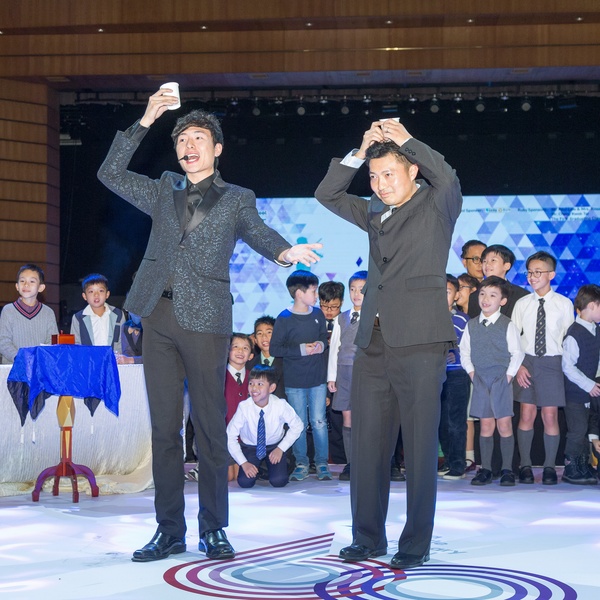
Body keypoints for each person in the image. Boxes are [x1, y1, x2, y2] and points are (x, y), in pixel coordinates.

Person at [97, 88, 321, 563]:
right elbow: (109, 173)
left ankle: (214, 528)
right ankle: (168, 530)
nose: (188, 145)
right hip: (156, 315)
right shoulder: (163, 187)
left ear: (216, 149)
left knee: (210, 428)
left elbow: (258, 232)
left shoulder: (237, 198)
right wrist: (146, 119)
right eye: (182, 139)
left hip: (206, 321)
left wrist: (284, 251)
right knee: (164, 430)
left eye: (198, 138)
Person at [315, 117, 462, 570]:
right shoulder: (374, 211)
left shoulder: (437, 203)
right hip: (372, 342)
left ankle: (415, 542)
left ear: (412, 171)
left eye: (389, 174)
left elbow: (447, 176)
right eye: (374, 176)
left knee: (419, 447)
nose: (379, 184)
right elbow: (327, 194)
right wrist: (360, 151)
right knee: (367, 447)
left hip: (420, 340)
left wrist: (408, 140)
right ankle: (367, 537)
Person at [512, 251, 574, 485]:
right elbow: (513, 339)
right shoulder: (522, 304)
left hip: (552, 363)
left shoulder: (564, 304)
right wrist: (518, 366)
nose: (532, 276)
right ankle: (525, 465)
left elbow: (568, 339)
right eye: (529, 272)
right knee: (526, 414)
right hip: (527, 362)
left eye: (538, 272)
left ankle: (549, 467)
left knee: (550, 415)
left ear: (551, 274)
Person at [459, 276, 524, 486]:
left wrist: (508, 376)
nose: (486, 299)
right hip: (480, 380)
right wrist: (472, 374)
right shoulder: (471, 325)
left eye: (492, 295)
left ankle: (507, 470)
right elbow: (464, 353)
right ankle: (485, 468)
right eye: (483, 294)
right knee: (486, 425)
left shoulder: (507, 324)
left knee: (504, 425)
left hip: (501, 380)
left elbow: (517, 353)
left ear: (502, 301)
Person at [270, 270, 330, 481]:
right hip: (295, 381)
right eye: (313, 291)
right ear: (299, 293)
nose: (316, 295)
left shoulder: (318, 314)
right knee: (299, 423)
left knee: (319, 421)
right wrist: (302, 349)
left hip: (317, 378)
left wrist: (320, 345)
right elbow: (275, 348)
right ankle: (301, 463)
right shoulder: (284, 318)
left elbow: (323, 337)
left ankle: (322, 463)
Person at [226, 365, 304, 488]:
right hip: (251, 447)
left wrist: (281, 448)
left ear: (271, 388)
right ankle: (258, 468)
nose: (254, 388)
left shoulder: (280, 405)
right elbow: (230, 435)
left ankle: (283, 464)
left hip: (274, 447)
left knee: (279, 481)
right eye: (251, 383)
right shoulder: (244, 407)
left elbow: (298, 425)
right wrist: (244, 463)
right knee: (245, 482)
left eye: (260, 384)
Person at [327, 270, 368, 481]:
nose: (356, 294)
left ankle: (367, 462)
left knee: (367, 417)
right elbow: (335, 348)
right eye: (353, 289)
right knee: (347, 417)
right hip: (344, 372)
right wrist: (331, 376)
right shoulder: (341, 319)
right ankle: (351, 463)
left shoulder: (375, 316)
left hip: (366, 373)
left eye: (361, 289)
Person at [562, 284, 600, 485]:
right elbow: (568, 367)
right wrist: (588, 385)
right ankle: (571, 468)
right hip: (576, 393)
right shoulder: (574, 333)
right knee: (577, 431)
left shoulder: (596, 330)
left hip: (589, 393)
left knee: (584, 430)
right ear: (592, 305)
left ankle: (583, 465)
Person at [437, 274, 471, 480]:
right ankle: (448, 460)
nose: (442, 296)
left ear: (457, 295)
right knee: (440, 421)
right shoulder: (427, 318)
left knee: (456, 421)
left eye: (447, 292)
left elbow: (468, 348)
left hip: (457, 374)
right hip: (434, 376)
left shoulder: (463, 320)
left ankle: (458, 464)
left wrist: (454, 354)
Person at [0, 263, 58, 364]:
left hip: (39, 367)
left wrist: (37, 360)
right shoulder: (8, 310)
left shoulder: (48, 312)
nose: (26, 285)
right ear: (17, 286)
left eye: (32, 281)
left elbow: (52, 342)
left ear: (41, 287)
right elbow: (3, 341)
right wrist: (21, 359)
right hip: (13, 367)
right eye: (22, 281)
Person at [318, 280, 346, 468]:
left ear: (341, 303)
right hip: (317, 378)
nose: (328, 311)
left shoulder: (346, 322)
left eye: (334, 307)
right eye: (324, 306)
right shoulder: (313, 321)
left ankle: (341, 461)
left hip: (339, 380)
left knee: (338, 423)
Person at [70, 273, 129, 362]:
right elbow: (76, 345)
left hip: (113, 363)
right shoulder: (78, 318)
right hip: (89, 364)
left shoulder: (118, 315)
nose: (96, 295)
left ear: (107, 294)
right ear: (84, 296)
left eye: (101, 291)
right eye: (91, 291)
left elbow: (124, 342)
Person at [467, 244, 528, 318]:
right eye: (484, 261)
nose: (487, 264)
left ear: (506, 266)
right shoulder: (474, 296)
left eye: (493, 260)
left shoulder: (521, 296)